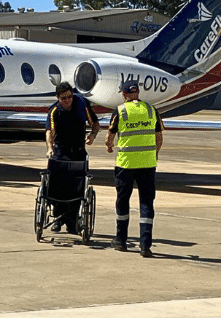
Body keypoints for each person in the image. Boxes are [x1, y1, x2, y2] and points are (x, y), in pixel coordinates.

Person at [104, 79, 163, 258]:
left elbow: (110, 136)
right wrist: (154, 155)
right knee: (146, 203)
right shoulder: (151, 110)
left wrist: (109, 146)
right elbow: (159, 137)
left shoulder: (120, 111)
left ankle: (121, 241)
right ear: (137, 93)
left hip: (126, 165)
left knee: (123, 201)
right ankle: (145, 245)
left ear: (123, 94)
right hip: (147, 164)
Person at [45, 82, 100, 234]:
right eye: (64, 98)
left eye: (69, 96)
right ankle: (58, 217)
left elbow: (95, 123)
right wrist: (50, 148)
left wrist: (92, 135)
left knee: (77, 187)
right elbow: (50, 131)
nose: (68, 100)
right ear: (58, 98)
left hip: (78, 152)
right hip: (61, 152)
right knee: (57, 185)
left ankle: (72, 221)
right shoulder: (54, 111)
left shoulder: (81, 103)